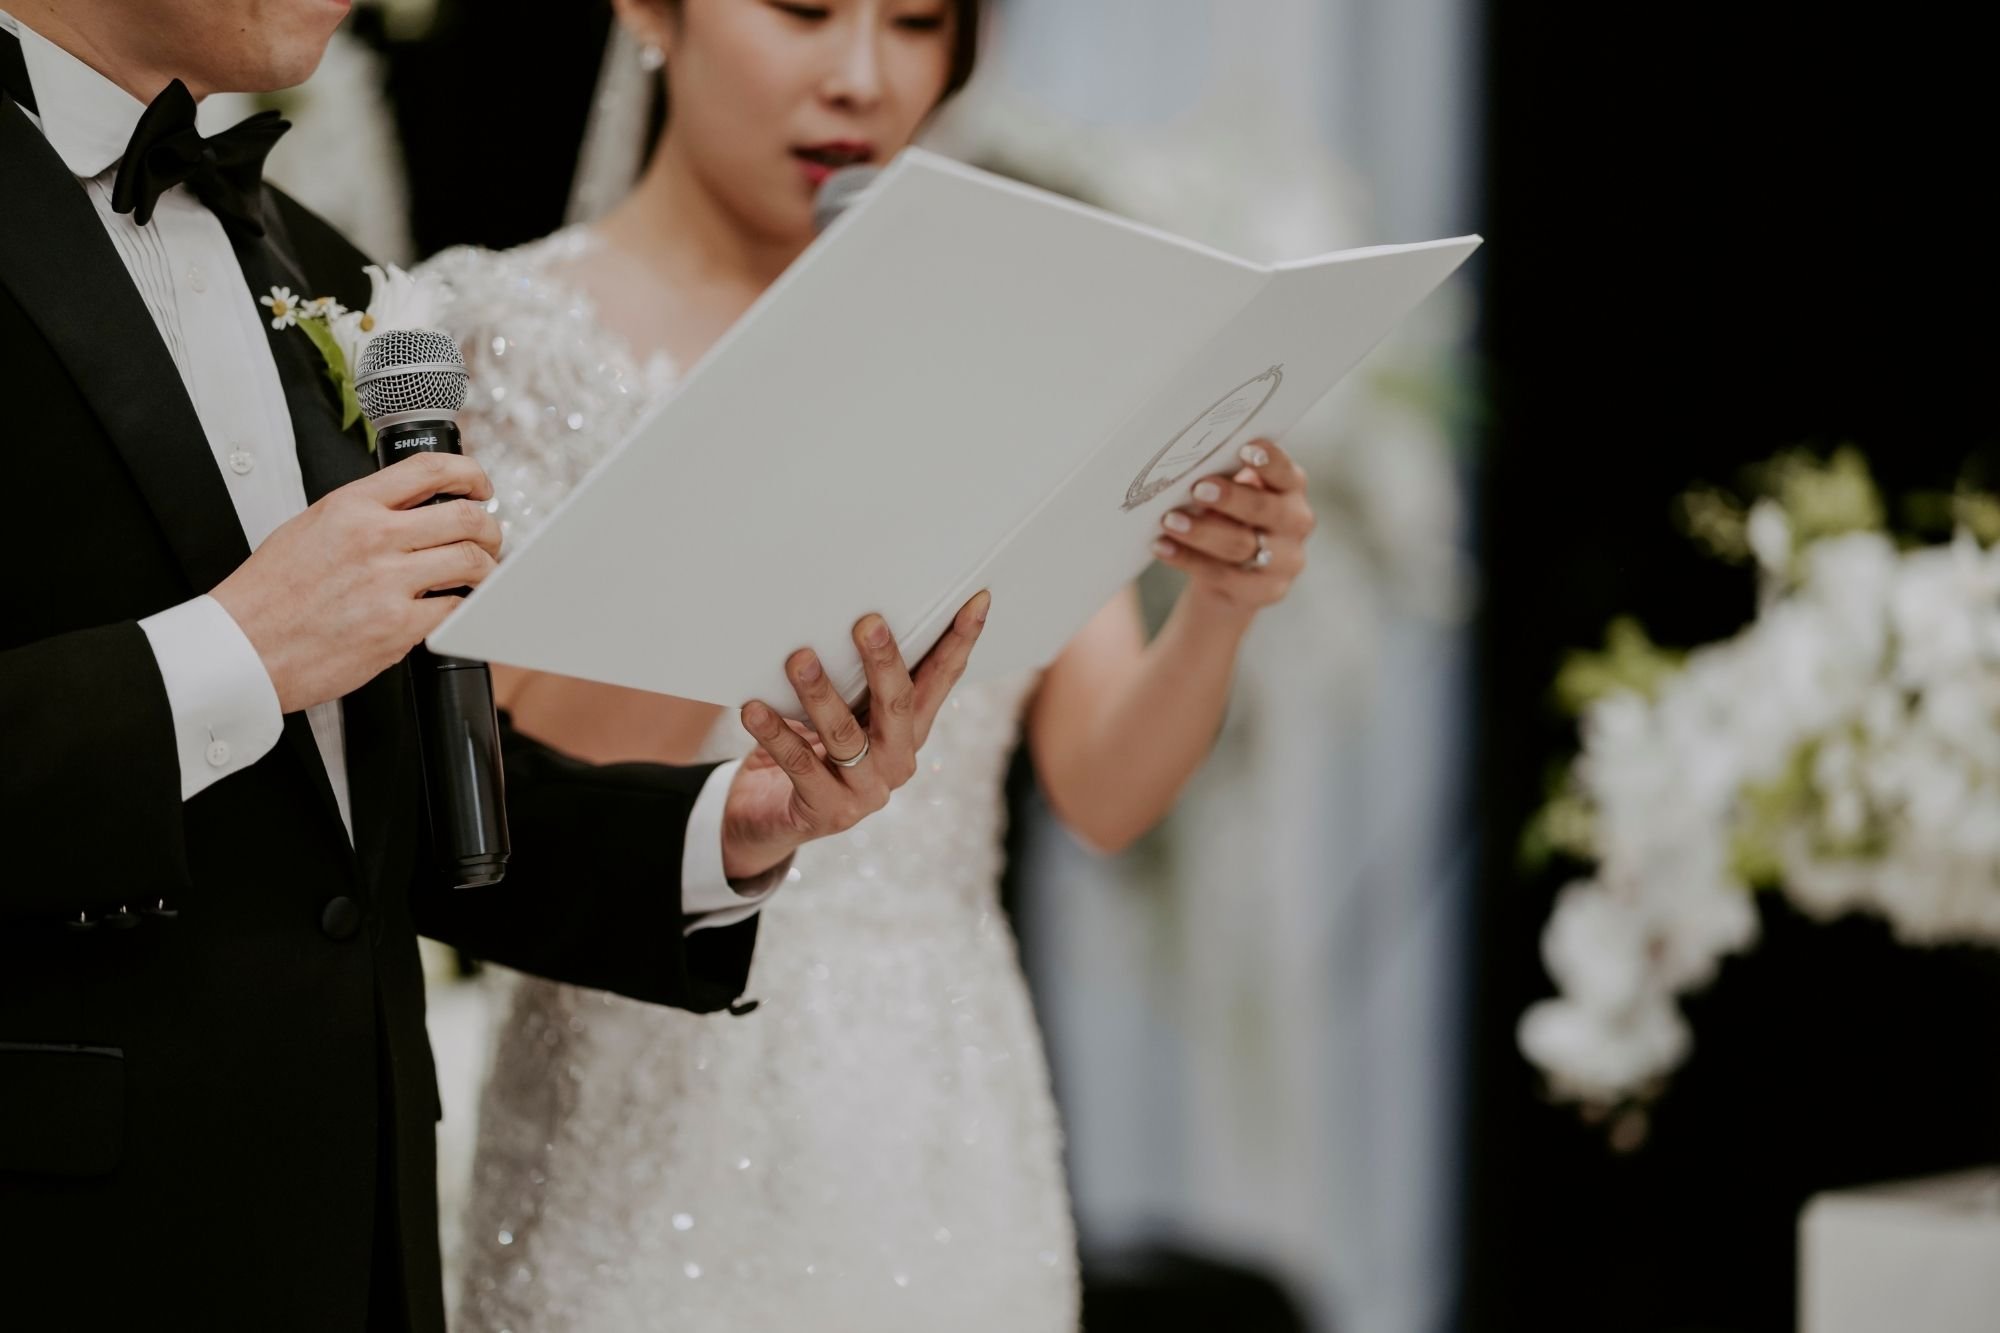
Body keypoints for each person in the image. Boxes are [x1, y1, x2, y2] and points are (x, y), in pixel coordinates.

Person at [0, 3, 984, 1329]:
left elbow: (401, 803)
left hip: (359, 1246)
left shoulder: (320, 269)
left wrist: (730, 824)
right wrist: (231, 653)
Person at [424, 1, 1321, 1328]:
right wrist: (791, 461)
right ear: (650, 13)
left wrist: (1221, 608)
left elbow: (1104, 787)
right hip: (635, 1093)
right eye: (801, 10)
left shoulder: (1005, 343)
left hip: (940, 1110)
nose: (859, 80)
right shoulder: (493, 330)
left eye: (913, 23)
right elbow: (505, 801)